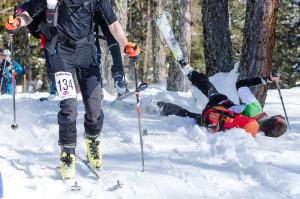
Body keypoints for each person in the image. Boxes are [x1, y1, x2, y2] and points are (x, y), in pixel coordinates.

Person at [5, 0, 141, 179]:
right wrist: (17, 22)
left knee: (94, 107)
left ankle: (92, 139)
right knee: (69, 106)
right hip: (61, 52)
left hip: (87, 52)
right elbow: (29, 13)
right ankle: (67, 151)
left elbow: (113, 23)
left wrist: (126, 44)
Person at [156, 70, 287, 138]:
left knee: (213, 92)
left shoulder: (255, 108)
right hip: (214, 119)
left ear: (272, 118)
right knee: (190, 115)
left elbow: (240, 85)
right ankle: (160, 107)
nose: (281, 115)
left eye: (280, 117)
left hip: (219, 106)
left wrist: (266, 79)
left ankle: (191, 73)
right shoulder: (256, 132)